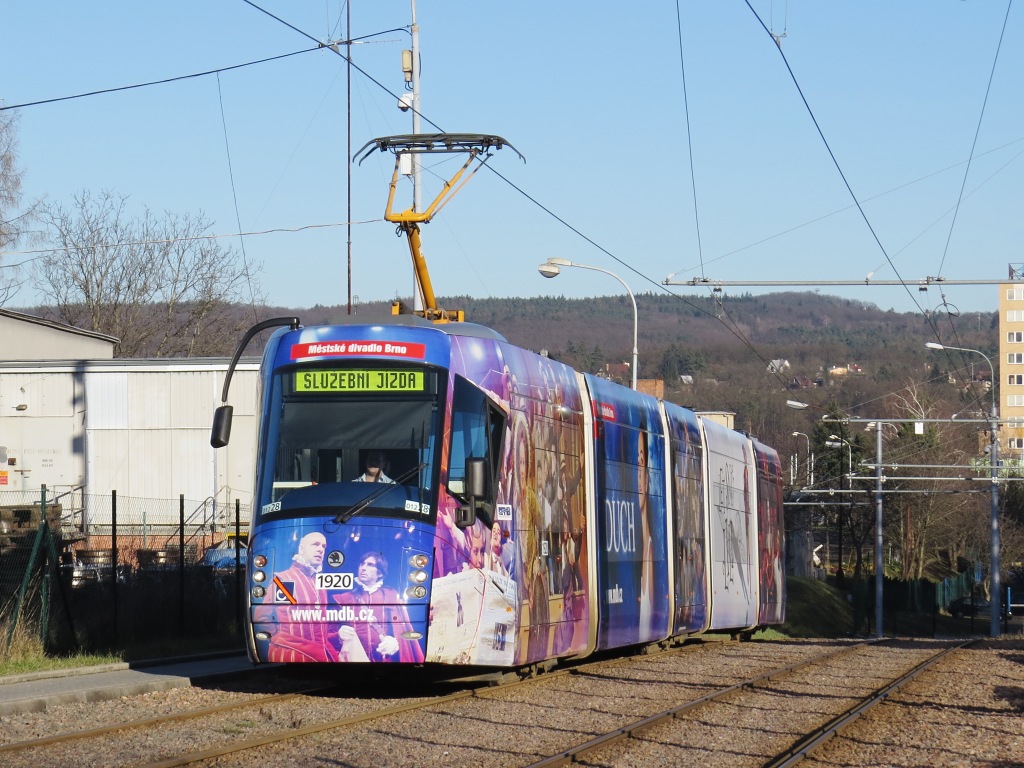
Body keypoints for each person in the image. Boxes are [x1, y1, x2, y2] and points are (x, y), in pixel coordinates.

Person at [334, 550, 425, 663]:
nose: (363, 568)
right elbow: (327, 635)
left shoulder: (391, 595)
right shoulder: (344, 598)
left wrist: (395, 642)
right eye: (362, 564)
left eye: (370, 565)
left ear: (380, 573)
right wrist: (339, 635)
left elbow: (402, 629)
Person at [264, 531, 338, 662]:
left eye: (323, 546)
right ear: (301, 549)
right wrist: (280, 639)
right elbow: (263, 617)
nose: (320, 549)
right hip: (293, 653)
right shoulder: (287, 579)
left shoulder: (320, 582)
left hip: (321, 654)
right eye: (315, 544)